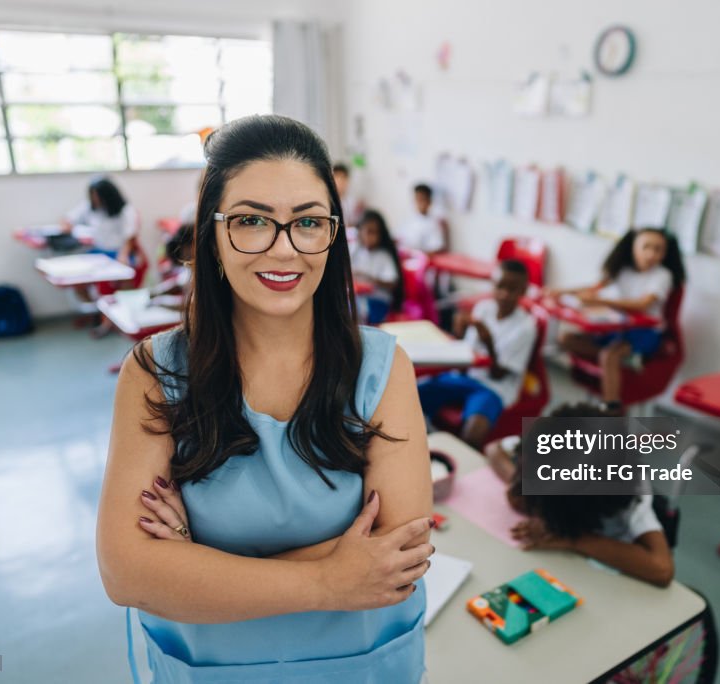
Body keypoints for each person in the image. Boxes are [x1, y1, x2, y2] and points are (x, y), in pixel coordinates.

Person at [95, 115, 434, 683]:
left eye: (307, 222)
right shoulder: (156, 373)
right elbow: (127, 575)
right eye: (252, 221)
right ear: (211, 232)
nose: (284, 250)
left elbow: (395, 561)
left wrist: (188, 562)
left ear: (332, 235)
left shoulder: (381, 367)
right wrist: (330, 579)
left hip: (360, 664)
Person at [502, 402, 675, 588]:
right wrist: (518, 481)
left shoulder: (632, 496)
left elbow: (662, 569)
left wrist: (571, 538)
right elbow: (495, 450)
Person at [545, 227, 686, 414]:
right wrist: (561, 292)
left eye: (658, 249)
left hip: (644, 333)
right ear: (633, 248)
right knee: (566, 339)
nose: (651, 254)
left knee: (609, 356)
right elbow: (594, 287)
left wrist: (599, 301)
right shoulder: (623, 270)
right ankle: (628, 360)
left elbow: (643, 304)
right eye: (646, 247)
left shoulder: (662, 276)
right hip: (616, 330)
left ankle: (612, 410)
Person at [417, 260, 536, 449]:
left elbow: (498, 374)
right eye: (500, 286)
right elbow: (467, 354)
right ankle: (428, 442)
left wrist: (489, 343)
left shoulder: (526, 326)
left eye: (513, 289)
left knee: (473, 435)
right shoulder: (484, 307)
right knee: (411, 394)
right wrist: (460, 332)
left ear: (523, 291)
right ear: (493, 285)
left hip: (493, 388)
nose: (505, 294)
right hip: (466, 377)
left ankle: (455, 461)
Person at [62, 176, 139, 263]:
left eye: (98, 196)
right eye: (93, 196)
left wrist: (123, 255)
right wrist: (67, 225)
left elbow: (129, 236)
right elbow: (68, 218)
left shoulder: (125, 210)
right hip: (97, 251)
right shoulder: (89, 206)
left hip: (117, 252)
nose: (95, 199)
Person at [350, 209, 405, 324]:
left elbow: (392, 283)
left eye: (374, 232)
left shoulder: (384, 255)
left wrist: (370, 279)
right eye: (367, 231)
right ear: (359, 231)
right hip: (357, 296)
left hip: (378, 299)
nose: (370, 236)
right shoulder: (355, 250)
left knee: (359, 310)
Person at [397, 183, 448, 255]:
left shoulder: (434, 223)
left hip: (419, 259)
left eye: (422, 199)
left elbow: (436, 249)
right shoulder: (409, 219)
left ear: (429, 201)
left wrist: (417, 255)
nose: (419, 203)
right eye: (417, 199)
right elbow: (398, 238)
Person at [333, 162, 365, 227]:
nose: (340, 182)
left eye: (343, 178)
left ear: (347, 181)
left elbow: (355, 223)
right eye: (337, 178)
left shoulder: (353, 203)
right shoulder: (327, 199)